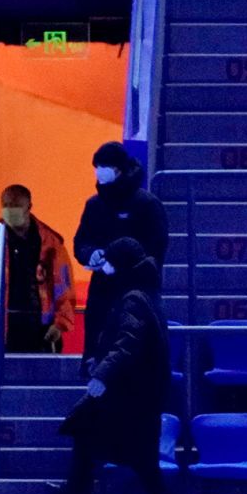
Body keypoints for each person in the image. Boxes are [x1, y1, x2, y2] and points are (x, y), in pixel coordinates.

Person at [53, 237, 171, 494]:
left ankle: (78, 488)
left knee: (143, 463)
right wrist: (101, 361)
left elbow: (128, 342)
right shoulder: (145, 292)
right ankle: (77, 487)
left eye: (110, 263)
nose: (105, 269)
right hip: (139, 391)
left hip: (131, 393)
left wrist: (102, 374)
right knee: (90, 429)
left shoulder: (133, 299)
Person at [73, 142, 169, 377]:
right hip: (102, 292)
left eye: (105, 166)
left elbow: (156, 249)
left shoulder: (147, 205)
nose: (99, 171)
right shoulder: (94, 205)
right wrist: (91, 254)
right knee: (99, 353)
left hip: (138, 291)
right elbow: (81, 242)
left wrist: (122, 264)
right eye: (97, 166)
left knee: (133, 355)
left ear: (119, 169)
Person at [0, 184, 76, 354]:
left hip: (41, 330)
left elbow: (63, 285)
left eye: (15, 206)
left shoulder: (49, 243)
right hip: (1, 329)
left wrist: (60, 324)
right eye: (6, 205)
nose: (10, 211)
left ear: (29, 208)